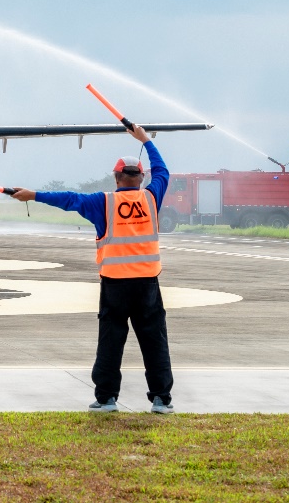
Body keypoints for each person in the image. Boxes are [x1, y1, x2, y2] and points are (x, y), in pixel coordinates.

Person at [9, 122, 173, 414]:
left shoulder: (103, 203)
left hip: (115, 285)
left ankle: (107, 398)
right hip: (147, 284)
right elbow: (163, 171)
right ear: (141, 177)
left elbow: (70, 199)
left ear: (116, 177)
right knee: (154, 341)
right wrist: (145, 140)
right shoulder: (151, 197)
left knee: (111, 341)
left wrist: (33, 195)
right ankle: (161, 399)